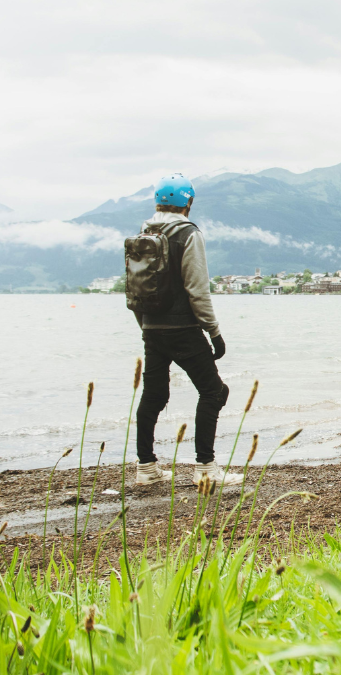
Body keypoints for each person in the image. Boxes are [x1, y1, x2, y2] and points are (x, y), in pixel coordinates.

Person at [132, 173, 241, 486]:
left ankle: (147, 468)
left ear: (157, 202)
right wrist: (214, 332)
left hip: (151, 327)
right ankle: (205, 468)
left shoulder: (143, 233)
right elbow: (197, 290)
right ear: (188, 203)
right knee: (214, 392)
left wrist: (145, 326)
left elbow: (136, 287)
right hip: (183, 329)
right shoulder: (187, 234)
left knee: (153, 395)